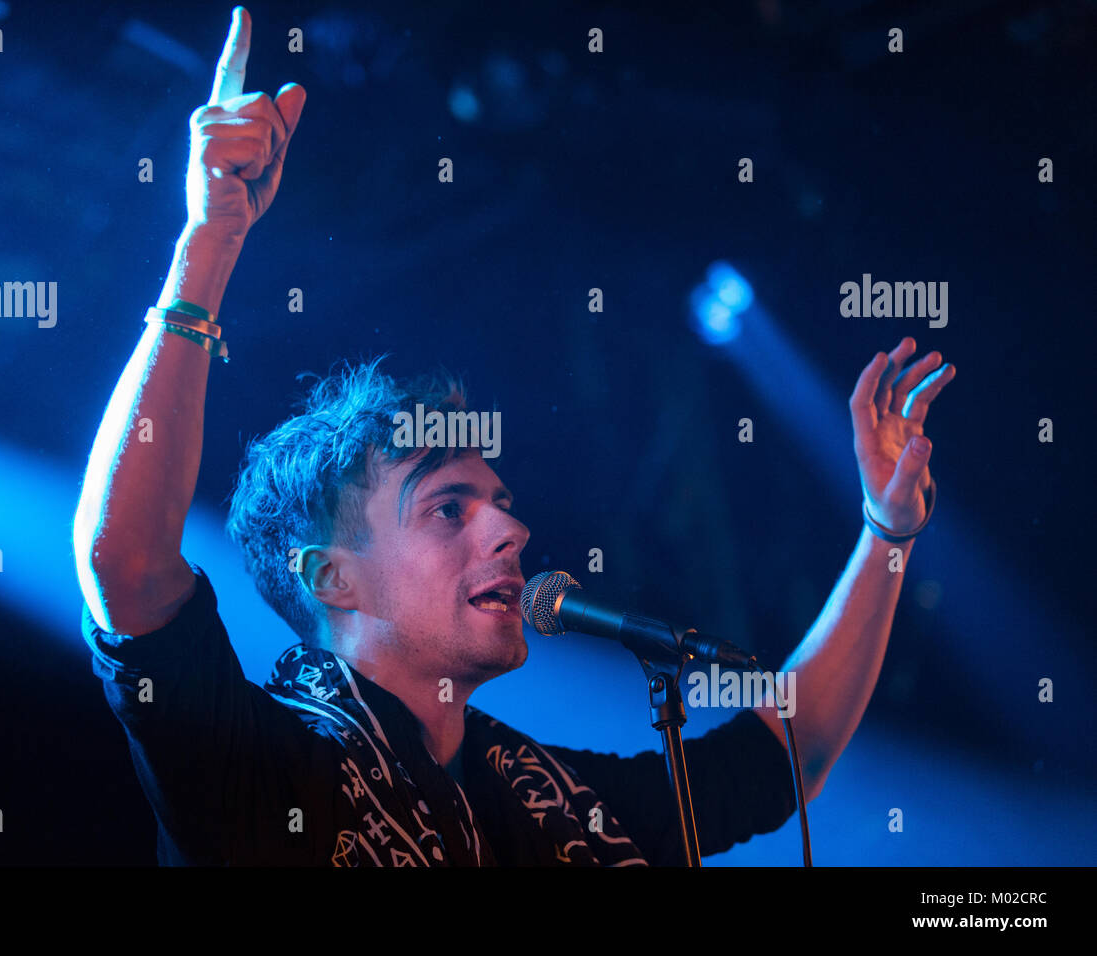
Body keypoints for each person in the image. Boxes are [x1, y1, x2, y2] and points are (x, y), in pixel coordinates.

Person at [72, 6, 956, 866]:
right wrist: (209, 241)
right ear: (332, 575)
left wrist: (886, 531)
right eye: (449, 509)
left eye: (499, 502)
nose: (512, 531)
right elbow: (129, 567)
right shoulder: (259, 768)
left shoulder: (542, 799)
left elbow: (781, 763)